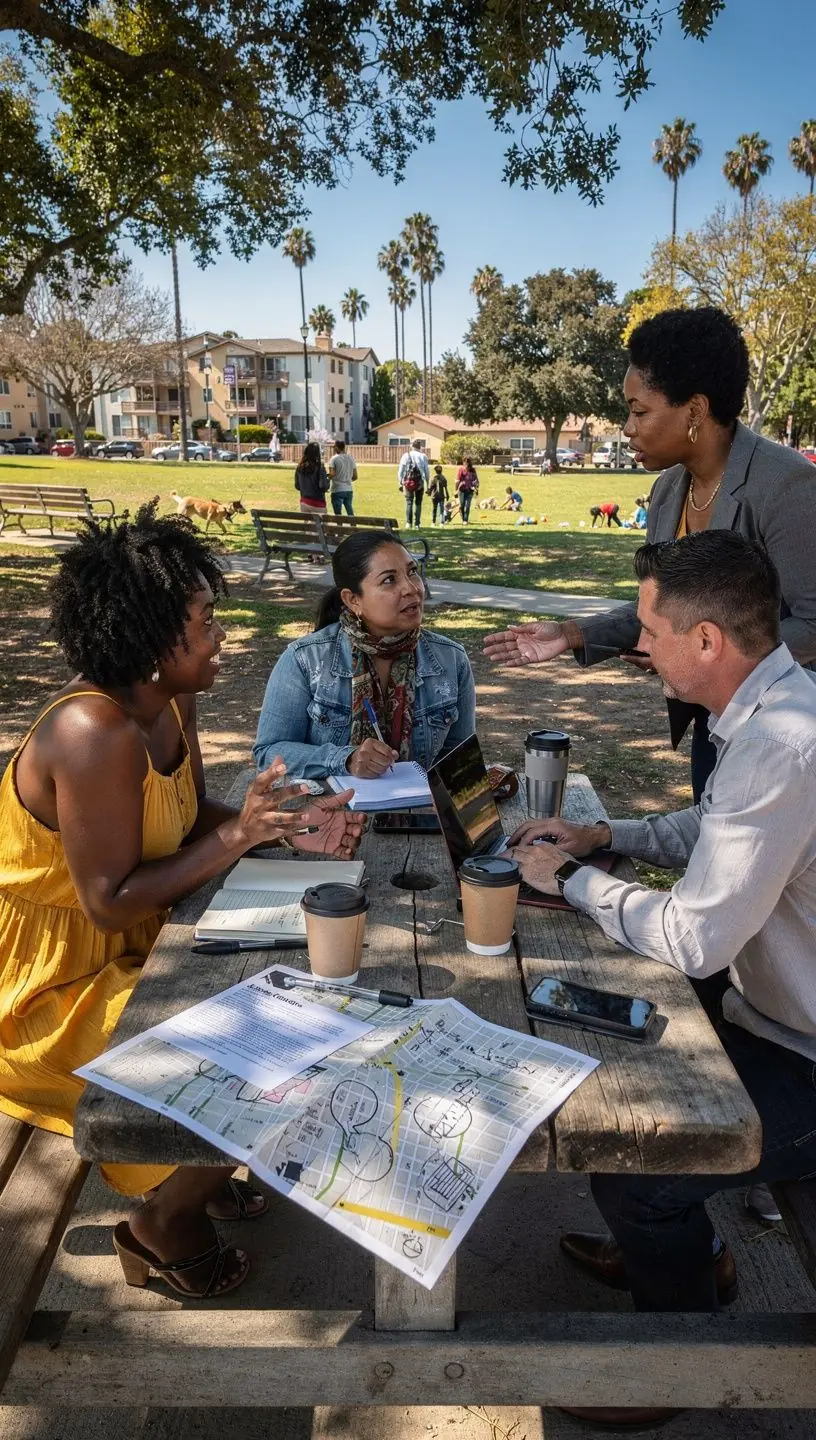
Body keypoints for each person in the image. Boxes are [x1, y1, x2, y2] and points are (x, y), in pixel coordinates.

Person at [0, 503, 365, 1300]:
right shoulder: (92, 730)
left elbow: (185, 819)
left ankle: (196, 1164)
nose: (219, 635)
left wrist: (279, 827)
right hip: (54, 991)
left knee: (297, 996)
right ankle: (163, 1222)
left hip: (139, 949)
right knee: (267, 1046)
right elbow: (107, 900)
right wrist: (240, 840)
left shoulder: (171, 701)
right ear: (155, 638)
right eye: (204, 620)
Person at [508, 532, 816, 1431]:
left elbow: (690, 936)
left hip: (803, 1053)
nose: (639, 646)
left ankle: (673, 1355)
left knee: (638, 1161)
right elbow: (715, 828)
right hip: (772, 1015)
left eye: (650, 629)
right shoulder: (776, 710)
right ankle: (691, 1259)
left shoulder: (782, 748)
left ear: (708, 641)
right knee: (602, 1054)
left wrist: (569, 881)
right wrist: (611, 840)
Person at [484, 307, 816, 805]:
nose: (627, 427)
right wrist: (572, 634)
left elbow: (813, 623)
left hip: (785, 734)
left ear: (695, 411)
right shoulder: (667, 491)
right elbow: (667, 610)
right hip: (714, 718)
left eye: (639, 411)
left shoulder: (786, 486)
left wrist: (703, 655)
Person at [254, 530, 475, 779]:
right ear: (353, 600)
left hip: (422, 814)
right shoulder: (306, 660)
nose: (412, 588)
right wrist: (345, 759)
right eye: (389, 580)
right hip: (332, 813)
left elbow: (460, 759)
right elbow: (269, 753)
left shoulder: (450, 660)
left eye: (412, 572)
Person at [397, 440, 429, 528]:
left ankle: (408, 523)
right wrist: (428, 484)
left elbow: (401, 470)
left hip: (407, 482)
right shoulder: (423, 456)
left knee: (409, 502)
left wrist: (400, 482)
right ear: (420, 447)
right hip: (419, 482)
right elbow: (426, 472)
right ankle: (417, 524)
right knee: (418, 503)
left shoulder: (405, 455)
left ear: (412, 446)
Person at [294, 441, 330, 514]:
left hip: (304, 502)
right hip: (318, 503)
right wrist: (328, 480)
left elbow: (297, 486)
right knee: (321, 525)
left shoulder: (300, 467)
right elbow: (323, 486)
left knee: (307, 525)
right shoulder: (320, 468)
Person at [326, 438, 357, 516]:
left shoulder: (334, 459)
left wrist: (326, 477)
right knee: (350, 512)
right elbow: (355, 476)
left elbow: (332, 474)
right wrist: (347, 479)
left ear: (336, 447)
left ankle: (339, 527)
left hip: (337, 489)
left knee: (338, 516)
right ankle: (353, 526)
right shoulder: (351, 458)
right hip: (349, 489)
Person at [456, 458, 479, 522]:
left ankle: (465, 520)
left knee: (467, 506)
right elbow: (457, 480)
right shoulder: (460, 469)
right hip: (462, 490)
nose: (466, 466)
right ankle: (463, 518)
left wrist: (476, 488)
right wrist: (456, 490)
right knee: (462, 505)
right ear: (463, 463)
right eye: (465, 464)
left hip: (470, 490)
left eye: (468, 464)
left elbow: (476, 480)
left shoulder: (473, 470)